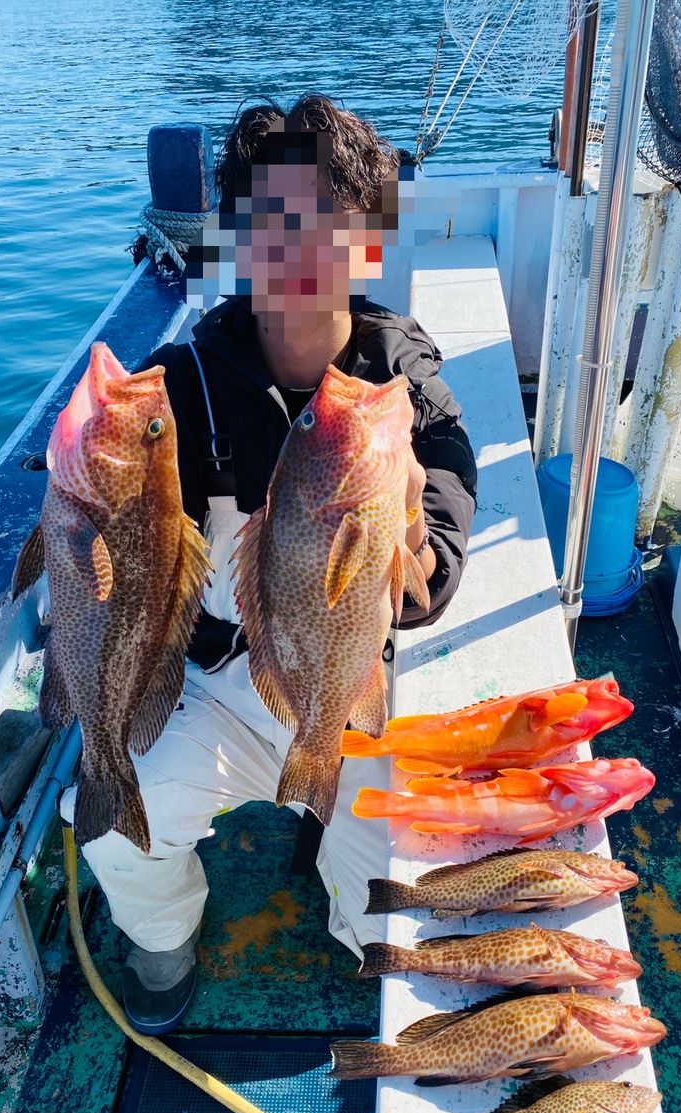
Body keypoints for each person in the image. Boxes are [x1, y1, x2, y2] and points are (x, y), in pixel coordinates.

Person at [61, 94, 477, 1034]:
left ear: (367, 240)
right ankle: (162, 943)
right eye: (267, 220)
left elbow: (440, 567)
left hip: (352, 675)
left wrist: (406, 547)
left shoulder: (409, 391)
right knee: (119, 827)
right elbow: (113, 517)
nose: (294, 248)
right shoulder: (179, 383)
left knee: (393, 865)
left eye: (324, 221)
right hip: (217, 676)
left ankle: (355, 931)